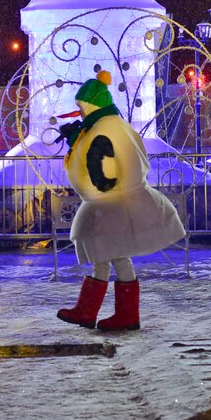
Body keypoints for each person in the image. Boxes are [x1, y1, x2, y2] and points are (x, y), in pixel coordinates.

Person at [55, 71, 185, 331]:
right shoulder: (107, 123)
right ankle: (90, 311)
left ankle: (120, 315)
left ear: (92, 104)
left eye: (81, 106)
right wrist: (76, 138)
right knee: (106, 255)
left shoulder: (106, 128)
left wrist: (103, 182)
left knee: (115, 255)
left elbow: (105, 160)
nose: (79, 111)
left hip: (114, 204)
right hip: (111, 203)